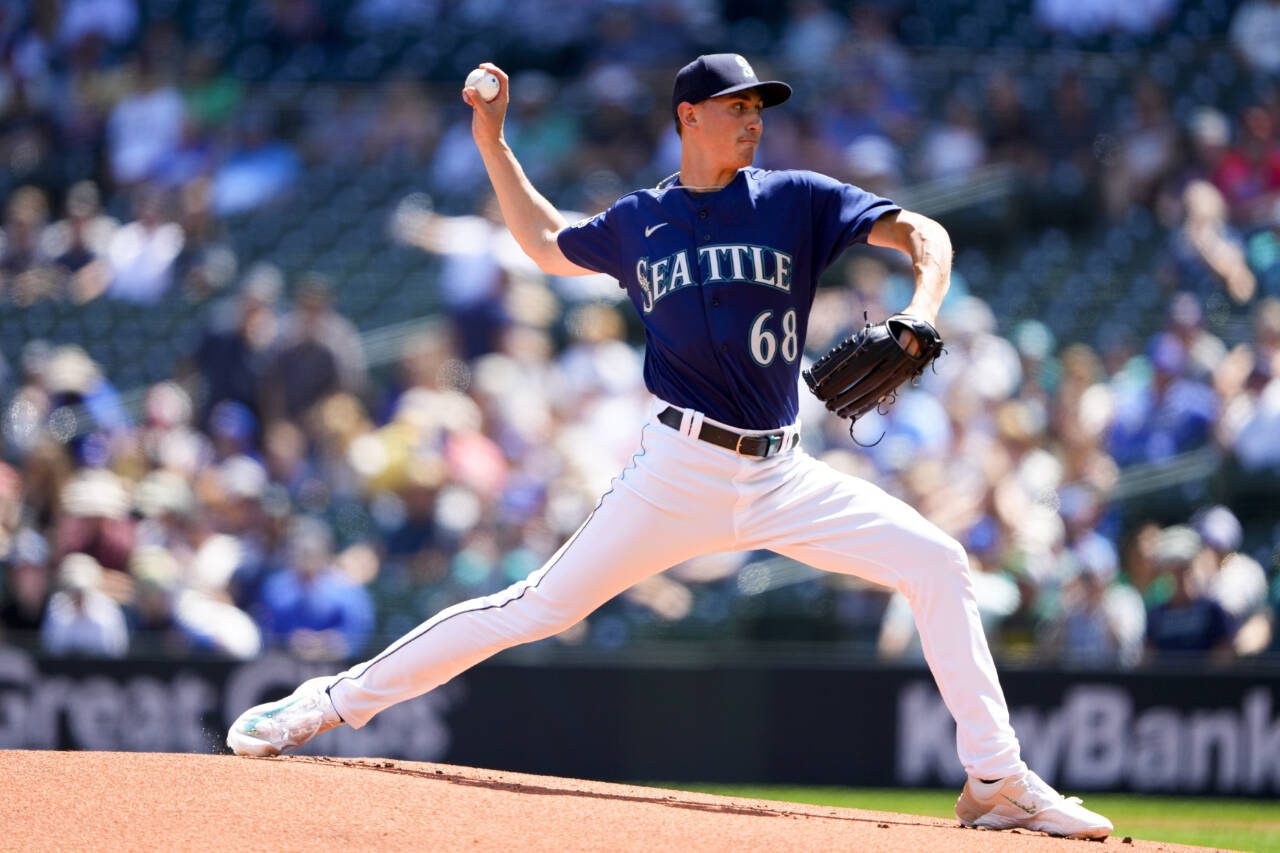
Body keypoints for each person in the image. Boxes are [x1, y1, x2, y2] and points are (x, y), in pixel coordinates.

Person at [227, 55, 1111, 840]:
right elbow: (540, 242)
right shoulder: (641, 220)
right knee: (531, 608)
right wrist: (494, 142)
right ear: (689, 116)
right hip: (677, 469)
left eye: (760, 106)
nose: (754, 118)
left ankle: (996, 779)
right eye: (736, 106)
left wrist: (923, 307)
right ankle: (323, 705)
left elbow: (927, 232)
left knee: (939, 561)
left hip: (783, 470)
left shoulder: (797, 199)